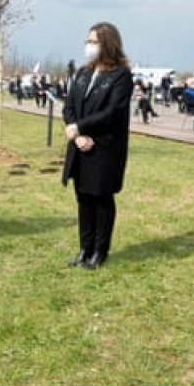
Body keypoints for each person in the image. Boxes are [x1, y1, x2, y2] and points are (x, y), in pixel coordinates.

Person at [62, 22, 133, 270]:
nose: (89, 46)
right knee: (83, 199)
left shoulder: (121, 76)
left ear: (107, 44)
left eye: (94, 41)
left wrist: (80, 127)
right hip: (79, 146)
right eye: (88, 41)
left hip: (104, 148)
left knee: (100, 200)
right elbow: (69, 106)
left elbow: (112, 112)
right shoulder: (82, 73)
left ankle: (100, 252)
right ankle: (85, 248)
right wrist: (76, 135)